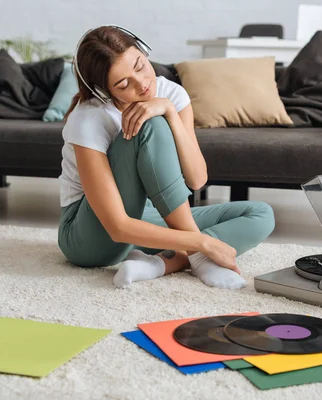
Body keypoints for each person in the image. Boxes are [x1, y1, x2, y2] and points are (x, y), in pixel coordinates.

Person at [57, 25, 275, 289]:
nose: (142, 84)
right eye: (123, 84)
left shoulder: (171, 94)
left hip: (142, 217)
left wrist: (170, 112)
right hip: (90, 236)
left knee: (260, 214)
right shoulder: (88, 119)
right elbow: (116, 226)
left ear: (144, 51)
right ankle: (198, 258)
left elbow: (196, 179)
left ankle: (160, 263)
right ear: (104, 92)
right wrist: (202, 244)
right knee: (150, 124)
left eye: (139, 66)